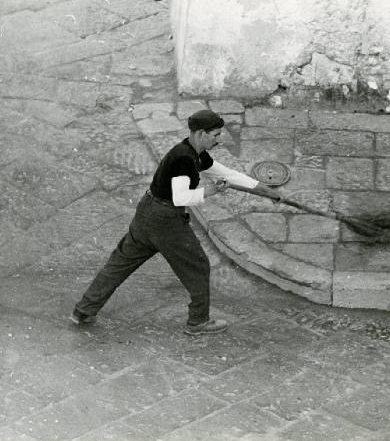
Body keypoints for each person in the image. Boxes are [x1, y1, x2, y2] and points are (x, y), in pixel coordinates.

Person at [70, 109, 281, 335]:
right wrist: (210, 191)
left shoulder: (194, 153)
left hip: (147, 211)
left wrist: (265, 191)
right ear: (201, 133)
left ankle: (83, 310)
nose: (219, 140)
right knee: (198, 265)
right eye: (216, 135)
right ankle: (198, 322)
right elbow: (181, 198)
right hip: (166, 220)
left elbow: (228, 174)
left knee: (120, 263)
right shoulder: (184, 159)